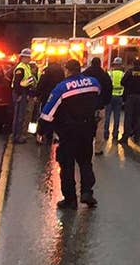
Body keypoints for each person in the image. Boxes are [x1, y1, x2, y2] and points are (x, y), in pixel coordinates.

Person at [40, 59, 100, 209]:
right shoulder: (93, 83)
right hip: (87, 130)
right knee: (85, 162)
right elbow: (99, 98)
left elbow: (47, 114)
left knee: (67, 166)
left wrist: (41, 131)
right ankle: (87, 192)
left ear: (67, 70)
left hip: (68, 132)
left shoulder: (61, 88)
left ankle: (70, 199)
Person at [82, 57, 112, 156]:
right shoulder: (104, 75)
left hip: (86, 105)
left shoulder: (85, 74)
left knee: (85, 126)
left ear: (91, 63)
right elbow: (109, 89)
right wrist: (105, 102)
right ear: (100, 64)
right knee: (100, 127)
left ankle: (84, 147)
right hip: (99, 105)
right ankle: (98, 149)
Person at [35, 58, 64, 145]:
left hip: (47, 96)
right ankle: (51, 135)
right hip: (58, 97)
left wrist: (37, 93)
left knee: (45, 115)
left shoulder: (47, 70)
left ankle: (42, 133)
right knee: (56, 115)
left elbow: (42, 83)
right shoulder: (61, 70)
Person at [10, 48, 37, 144]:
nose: (30, 59)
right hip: (20, 93)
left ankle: (18, 135)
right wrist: (20, 95)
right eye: (28, 57)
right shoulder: (20, 68)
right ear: (24, 57)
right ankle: (17, 137)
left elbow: (28, 82)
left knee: (21, 115)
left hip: (24, 92)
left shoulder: (26, 67)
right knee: (19, 116)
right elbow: (17, 83)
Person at [119, 59, 140, 144]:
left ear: (133, 64)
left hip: (130, 96)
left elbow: (122, 82)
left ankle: (125, 137)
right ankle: (137, 136)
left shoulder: (130, 72)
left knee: (128, 117)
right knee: (138, 117)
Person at [105, 57, 125, 141]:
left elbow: (106, 85)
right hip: (119, 97)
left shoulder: (110, 74)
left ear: (114, 65)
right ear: (121, 65)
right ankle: (115, 134)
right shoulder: (123, 74)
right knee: (117, 116)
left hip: (110, 97)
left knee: (107, 116)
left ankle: (106, 133)